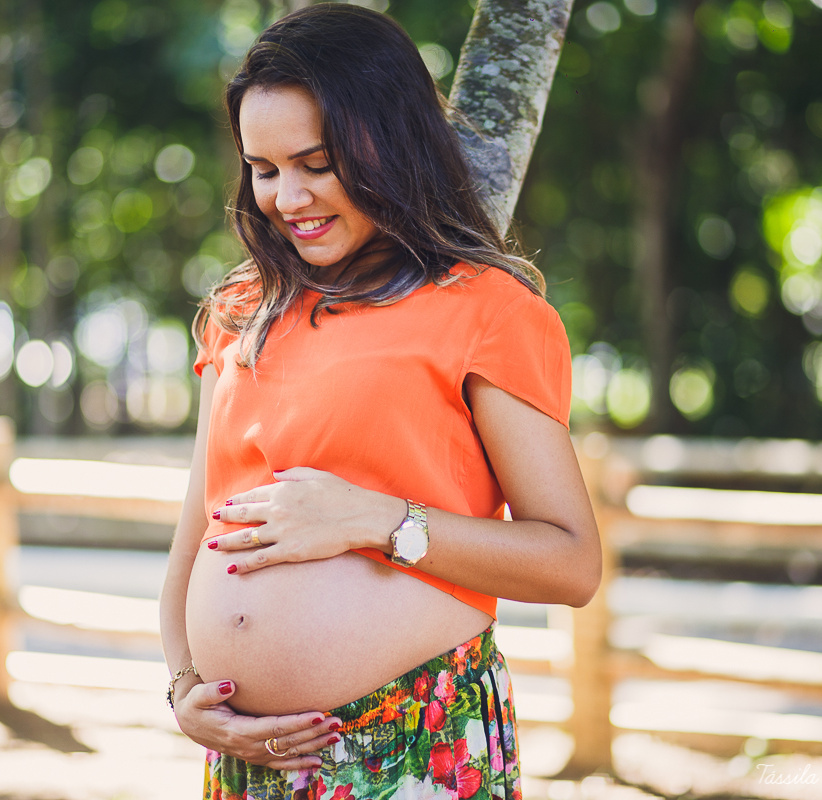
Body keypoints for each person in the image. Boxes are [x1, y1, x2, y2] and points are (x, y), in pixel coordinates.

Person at [158, 4, 601, 798]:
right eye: (263, 169)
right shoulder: (242, 309)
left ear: (388, 142)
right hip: (250, 759)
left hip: (413, 741)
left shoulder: (488, 311)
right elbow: (195, 543)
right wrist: (187, 692)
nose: (287, 197)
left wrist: (377, 521)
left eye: (316, 162)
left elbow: (570, 561)